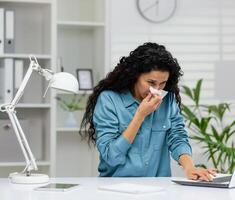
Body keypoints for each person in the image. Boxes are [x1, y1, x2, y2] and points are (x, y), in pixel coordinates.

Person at [80, 42, 216, 181]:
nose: (156, 89)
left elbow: (177, 137)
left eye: (162, 83)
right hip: (116, 187)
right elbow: (111, 156)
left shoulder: (167, 99)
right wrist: (140, 115)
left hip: (159, 188)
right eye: (151, 82)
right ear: (135, 76)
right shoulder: (109, 100)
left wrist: (189, 167)